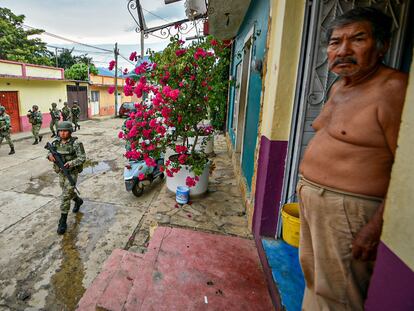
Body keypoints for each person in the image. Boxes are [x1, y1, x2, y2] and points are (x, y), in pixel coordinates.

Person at [297, 7, 408, 311]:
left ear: (382, 45)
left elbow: (408, 168)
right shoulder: (339, 87)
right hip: (314, 201)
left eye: (358, 39)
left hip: (348, 210)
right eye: (335, 42)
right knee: (314, 279)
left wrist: (375, 226)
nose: (343, 50)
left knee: (340, 296)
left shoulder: (393, 89)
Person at [47, 121, 86, 235]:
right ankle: (78, 201)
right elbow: (49, 153)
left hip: (71, 172)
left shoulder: (76, 143)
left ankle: (62, 221)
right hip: (61, 172)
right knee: (67, 192)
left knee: (65, 196)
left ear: (70, 131)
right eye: (60, 131)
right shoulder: (55, 143)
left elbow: (82, 157)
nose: (63, 133)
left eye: (65, 131)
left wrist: (71, 163)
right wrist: (50, 157)